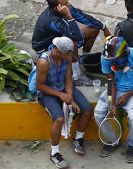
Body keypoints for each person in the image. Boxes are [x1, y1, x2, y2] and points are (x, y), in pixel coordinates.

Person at [35, 37, 93, 169]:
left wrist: (70, 100)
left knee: (86, 109)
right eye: (67, 53)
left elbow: (68, 79)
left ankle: (78, 138)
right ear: (57, 51)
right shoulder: (44, 62)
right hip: (47, 92)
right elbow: (39, 86)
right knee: (59, 119)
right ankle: (54, 153)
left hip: (64, 88)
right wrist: (61, 95)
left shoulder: (67, 57)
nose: (69, 56)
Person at [93, 35, 133, 163]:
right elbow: (110, 80)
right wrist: (111, 103)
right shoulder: (106, 58)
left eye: (115, 59)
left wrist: (128, 95)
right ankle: (113, 141)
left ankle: (132, 145)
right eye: (110, 59)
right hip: (115, 88)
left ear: (124, 53)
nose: (111, 61)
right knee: (98, 113)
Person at [32, 0, 109, 84]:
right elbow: (76, 36)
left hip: (60, 38)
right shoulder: (54, 21)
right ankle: (77, 75)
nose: (69, 4)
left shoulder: (65, 7)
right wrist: (69, 16)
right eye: (65, 4)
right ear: (57, 8)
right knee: (73, 42)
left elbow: (82, 16)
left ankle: (83, 60)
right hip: (45, 49)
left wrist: (103, 27)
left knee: (94, 29)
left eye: (67, 1)